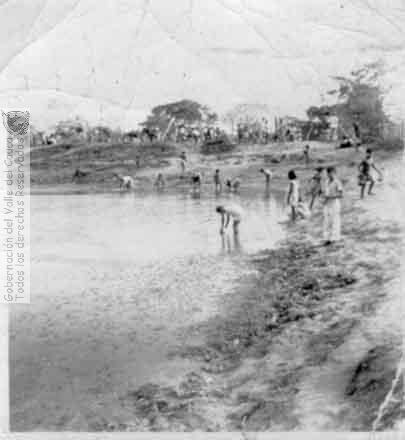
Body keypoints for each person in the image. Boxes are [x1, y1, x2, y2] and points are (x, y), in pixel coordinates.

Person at [322, 166, 343, 245]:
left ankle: (334, 238)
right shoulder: (326, 182)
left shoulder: (337, 182)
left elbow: (340, 195)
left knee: (335, 220)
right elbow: (325, 193)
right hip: (327, 204)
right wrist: (324, 200)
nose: (330, 175)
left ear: (334, 173)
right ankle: (327, 238)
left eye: (332, 173)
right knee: (327, 221)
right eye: (329, 173)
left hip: (334, 204)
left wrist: (331, 196)